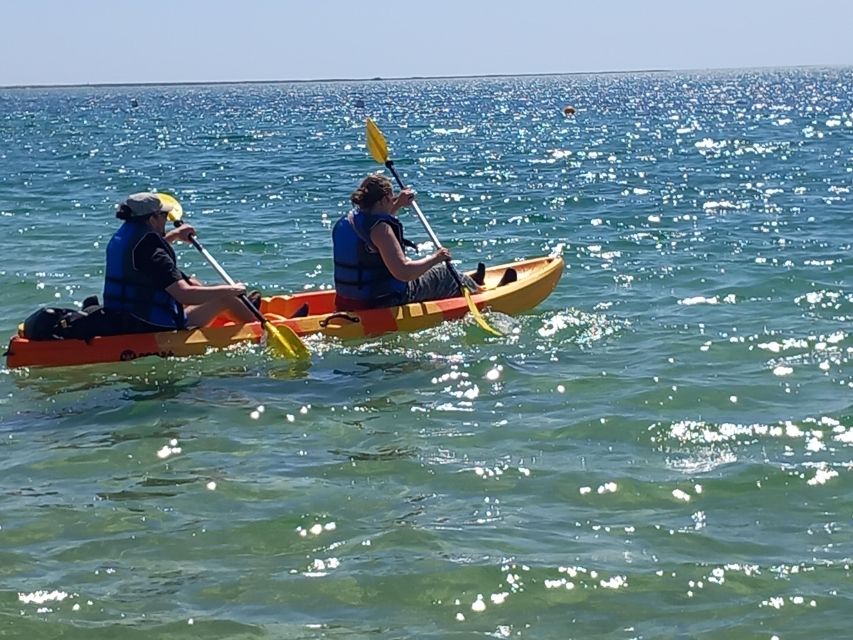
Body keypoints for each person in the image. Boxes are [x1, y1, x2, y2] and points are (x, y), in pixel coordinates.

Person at [103, 192, 257, 333]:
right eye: (163, 215)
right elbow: (184, 295)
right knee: (226, 298)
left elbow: (144, 258)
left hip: (119, 317)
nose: (166, 219)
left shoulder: (123, 236)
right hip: (150, 325)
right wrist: (233, 289)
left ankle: (240, 309)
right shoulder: (152, 252)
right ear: (152, 219)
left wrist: (174, 235)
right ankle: (261, 327)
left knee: (194, 283)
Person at [332, 174, 484, 311]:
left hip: (349, 301)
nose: (393, 202)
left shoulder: (347, 222)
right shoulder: (381, 230)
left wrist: (398, 203)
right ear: (384, 199)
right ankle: (480, 294)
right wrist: (437, 257)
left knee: (439, 271)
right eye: (391, 199)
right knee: (444, 273)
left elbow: (371, 224)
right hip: (385, 301)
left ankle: (469, 281)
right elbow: (404, 273)